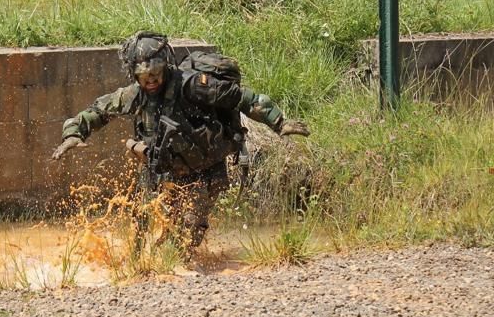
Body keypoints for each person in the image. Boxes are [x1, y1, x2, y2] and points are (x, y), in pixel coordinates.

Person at [51, 32, 310, 253]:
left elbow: (244, 98)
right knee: (140, 222)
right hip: (160, 169)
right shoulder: (134, 95)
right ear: (134, 75)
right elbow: (97, 111)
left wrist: (279, 123)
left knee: (187, 231)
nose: (150, 79)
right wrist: (73, 134)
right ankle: (141, 268)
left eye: (155, 72)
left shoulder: (195, 86)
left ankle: (178, 265)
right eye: (143, 75)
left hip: (204, 171)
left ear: (166, 66)